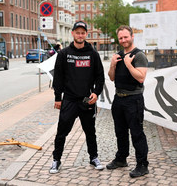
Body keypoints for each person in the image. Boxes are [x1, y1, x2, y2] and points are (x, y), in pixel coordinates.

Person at [50, 21, 105, 174]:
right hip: (69, 99)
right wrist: (57, 97)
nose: (80, 35)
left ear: (86, 34)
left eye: (83, 33)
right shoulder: (64, 54)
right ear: (73, 33)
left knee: (90, 131)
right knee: (62, 132)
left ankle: (94, 157)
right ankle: (56, 160)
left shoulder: (93, 54)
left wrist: (96, 92)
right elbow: (58, 78)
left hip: (86, 99)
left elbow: (100, 77)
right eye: (77, 32)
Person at [107, 25, 149, 178]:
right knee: (120, 132)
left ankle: (142, 165)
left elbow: (141, 77)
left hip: (134, 99)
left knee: (137, 133)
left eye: (126, 37)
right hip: (118, 99)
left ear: (132, 36)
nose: (123, 40)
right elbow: (111, 77)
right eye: (121, 38)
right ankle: (121, 159)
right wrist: (113, 64)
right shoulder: (117, 55)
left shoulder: (139, 56)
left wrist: (128, 64)